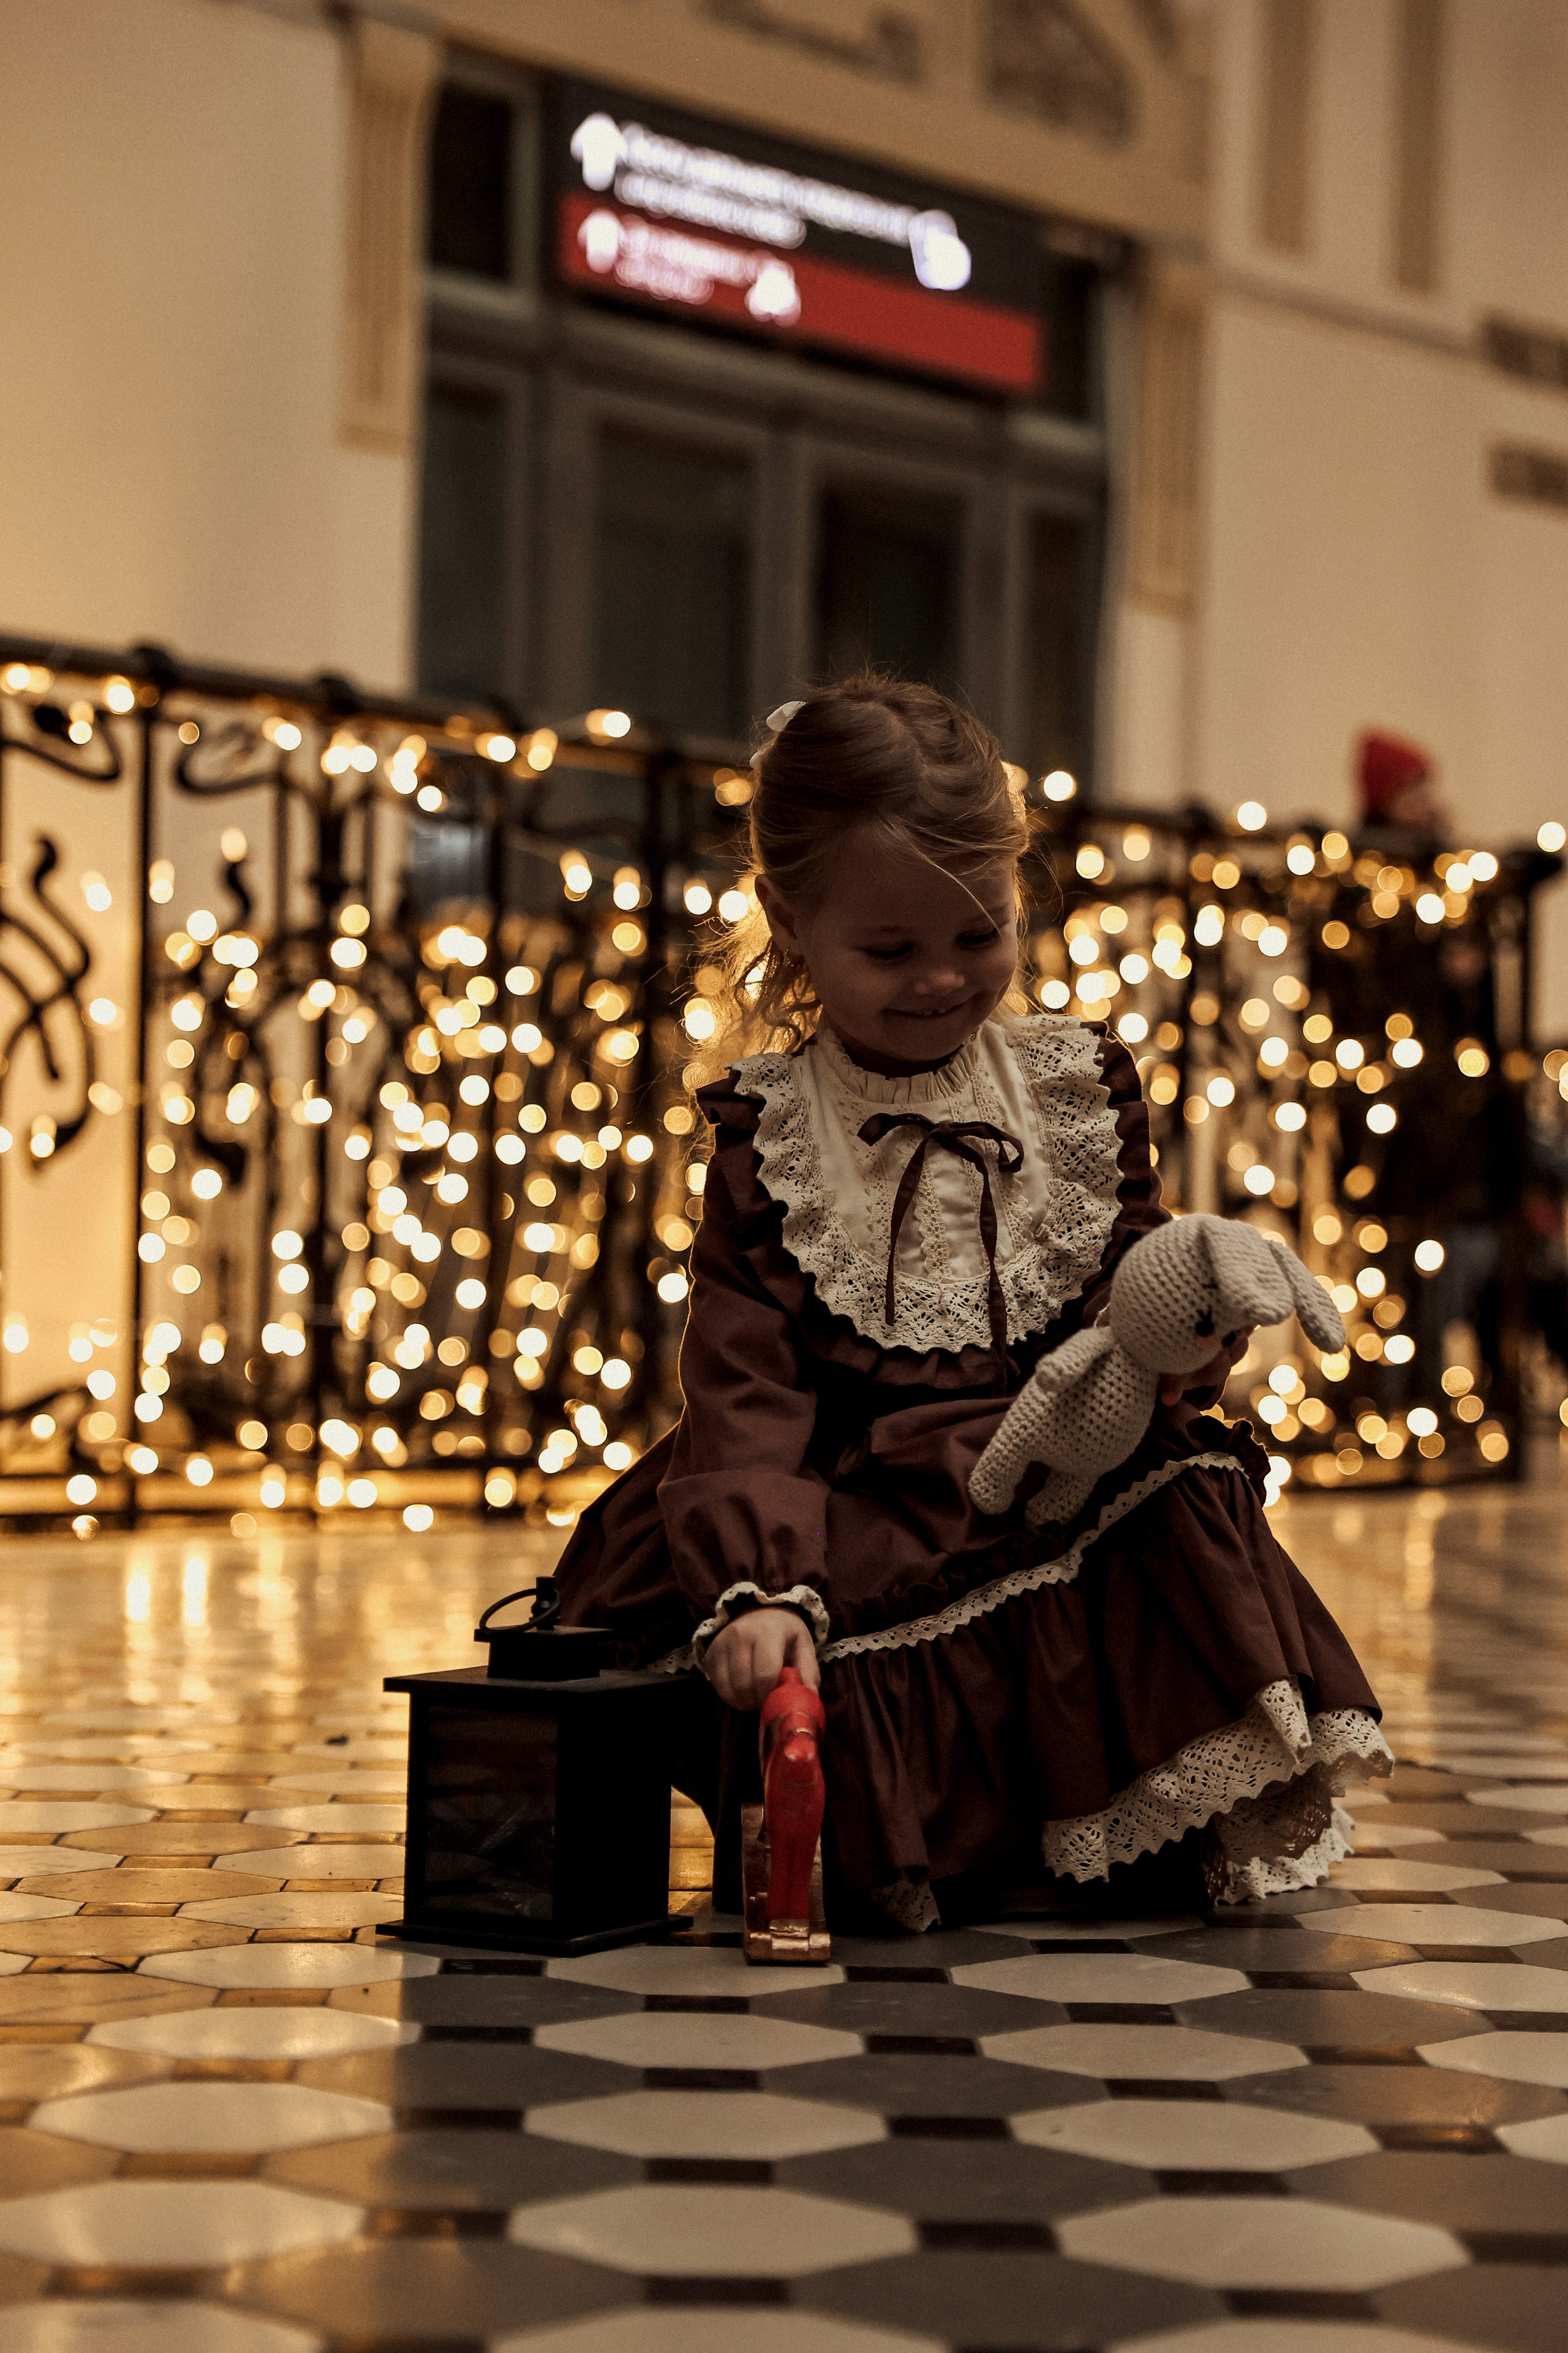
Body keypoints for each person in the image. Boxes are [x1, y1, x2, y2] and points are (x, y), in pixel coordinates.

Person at [556, 677, 1391, 1930]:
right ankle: (931, 1839)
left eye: (977, 934)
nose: (942, 980)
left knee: (1180, 1489)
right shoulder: (770, 1133)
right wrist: (763, 1580)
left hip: (1053, 1452)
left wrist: (1188, 1319)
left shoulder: (1073, 1084)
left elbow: (1132, 1302)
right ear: (787, 917)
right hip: (866, 1480)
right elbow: (747, 1385)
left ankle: (1116, 1811)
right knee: (825, 1619)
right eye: (888, 951)